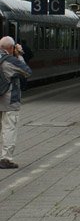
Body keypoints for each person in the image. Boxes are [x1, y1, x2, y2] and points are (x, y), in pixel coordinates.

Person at [0, 36, 32, 169]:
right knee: (9, 129)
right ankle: (5, 159)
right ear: (11, 48)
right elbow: (27, 71)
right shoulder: (11, 61)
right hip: (9, 101)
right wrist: (19, 55)